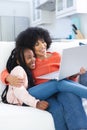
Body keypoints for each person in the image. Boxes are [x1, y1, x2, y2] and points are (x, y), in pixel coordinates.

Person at [1, 28, 87, 130]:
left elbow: (67, 75)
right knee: (57, 85)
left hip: (61, 89)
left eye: (43, 42)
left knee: (70, 97)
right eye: (37, 44)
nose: (42, 46)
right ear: (30, 48)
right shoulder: (30, 60)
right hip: (43, 92)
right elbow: (8, 69)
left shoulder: (56, 55)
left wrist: (75, 72)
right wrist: (8, 77)